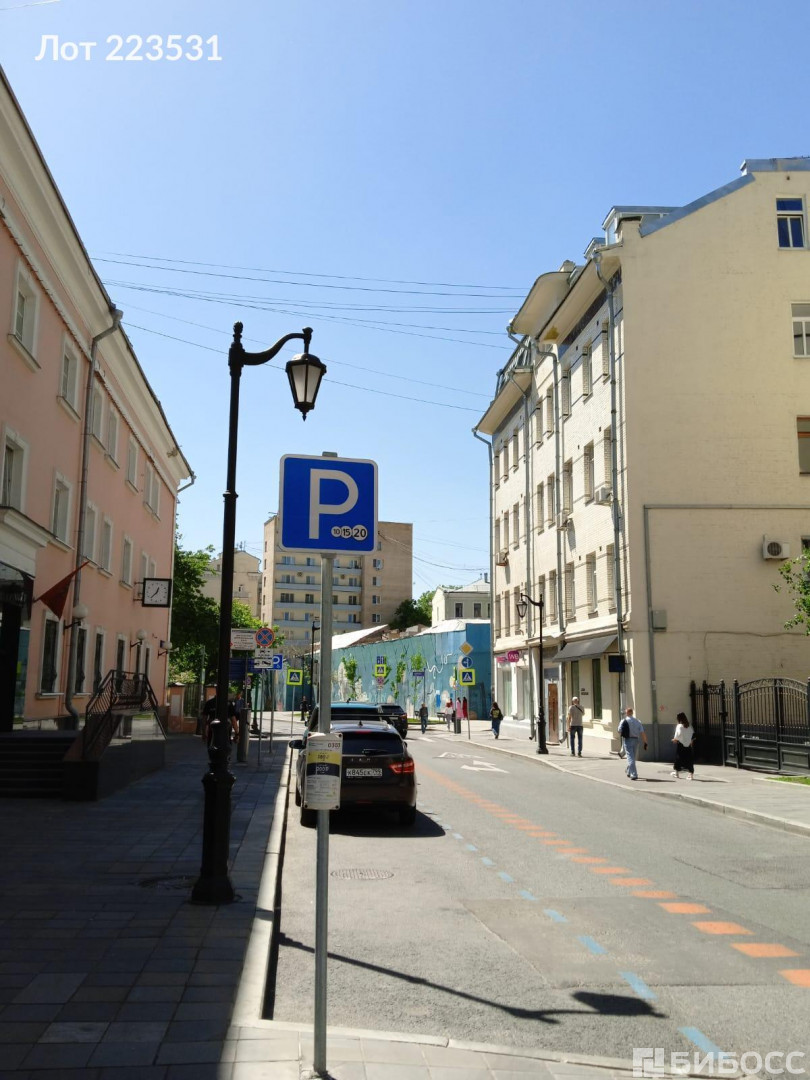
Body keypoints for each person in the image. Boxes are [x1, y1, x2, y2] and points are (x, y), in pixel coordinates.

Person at [619, 706, 648, 780]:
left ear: (626, 713)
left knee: (630, 757)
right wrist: (645, 742)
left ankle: (634, 774)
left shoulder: (623, 721)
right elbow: (642, 733)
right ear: (632, 713)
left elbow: (619, 731)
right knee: (632, 757)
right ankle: (629, 771)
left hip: (628, 740)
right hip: (636, 740)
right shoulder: (638, 721)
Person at [671, 712, 695, 779]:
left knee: (678, 759)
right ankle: (691, 774)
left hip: (681, 745)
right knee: (689, 760)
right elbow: (693, 736)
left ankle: (677, 773)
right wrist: (691, 744)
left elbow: (677, 736)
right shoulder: (690, 726)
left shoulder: (679, 726)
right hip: (688, 745)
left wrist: (674, 740)